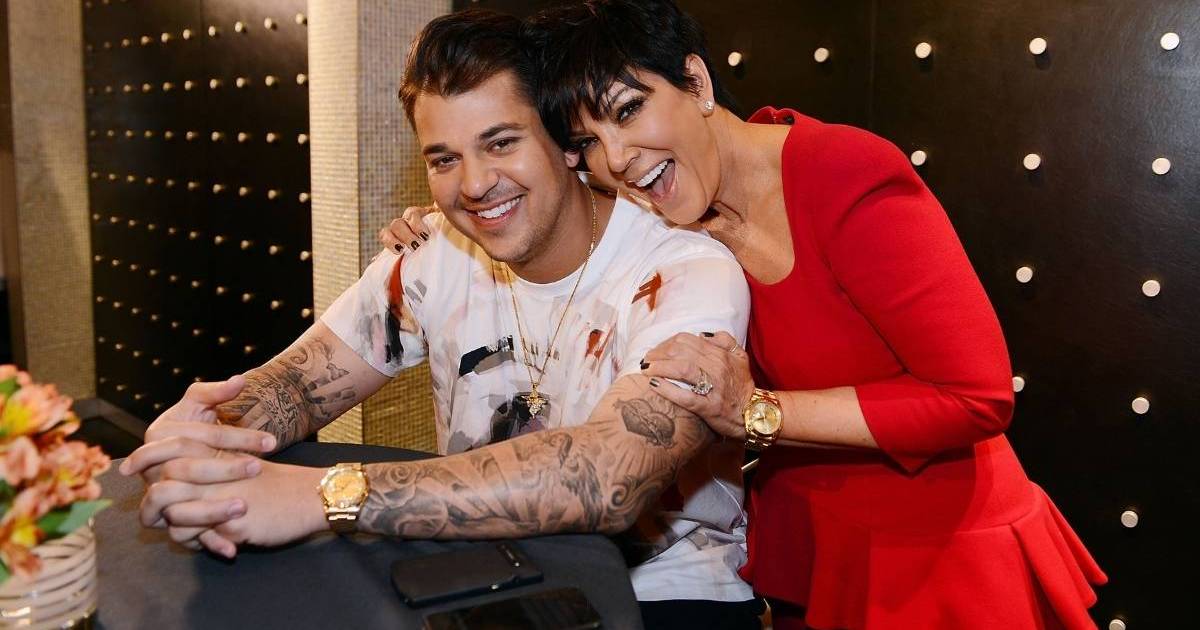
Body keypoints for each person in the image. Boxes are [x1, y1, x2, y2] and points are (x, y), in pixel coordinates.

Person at [120, 10, 765, 628]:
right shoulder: (434, 254)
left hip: (665, 592)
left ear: (567, 145)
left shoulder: (685, 268)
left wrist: (327, 495)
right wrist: (210, 436)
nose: (475, 184)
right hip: (480, 566)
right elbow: (298, 384)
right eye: (444, 159)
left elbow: (607, 476)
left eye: (501, 143)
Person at [507, 1, 1108, 628]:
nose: (616, 157)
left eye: (629, 110)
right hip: (813, 555)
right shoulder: (668, 218)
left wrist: (754, 412)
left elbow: (975, 396)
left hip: (935, 558)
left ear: (696, 81)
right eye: (587, 142)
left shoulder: (842, 172)